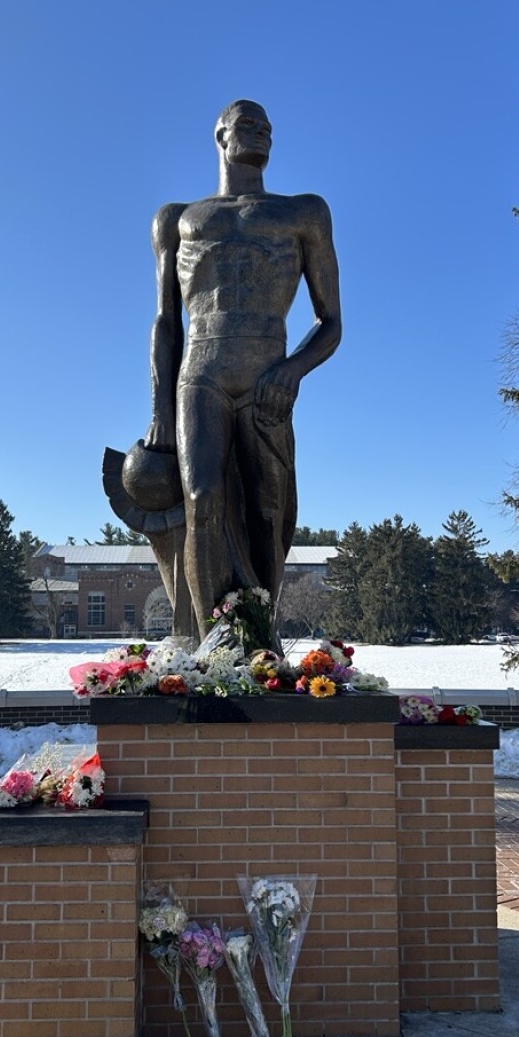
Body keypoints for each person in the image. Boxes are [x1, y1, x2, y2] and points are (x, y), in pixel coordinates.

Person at [141, 99, 342, 640]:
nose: (262, 133)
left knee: (269, 514)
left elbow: (331, 323)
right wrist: (160, 408)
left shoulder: (303, 212)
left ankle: (260, 635)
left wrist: (293, 370)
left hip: (266, 380)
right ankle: (215, 643)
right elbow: (166, 320)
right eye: (248, 124)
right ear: (220, 136)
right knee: (201, 498)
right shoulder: (178, 219)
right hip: (200, 375)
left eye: (269, 127)